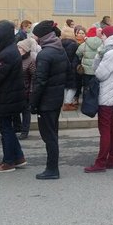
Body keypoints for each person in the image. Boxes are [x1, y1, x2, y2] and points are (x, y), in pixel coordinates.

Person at [0, 20, 27, 174]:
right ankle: (19, 157)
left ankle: (8, 161)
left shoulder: (6, 54)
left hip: (6, 97)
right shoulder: (9, 49)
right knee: (8, 128)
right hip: (10, 95)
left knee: (6, 129)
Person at [85, 26, 113, 173]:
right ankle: (112, 159)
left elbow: (99, 73)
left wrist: (98, 55)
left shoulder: (111, 53)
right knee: (112, 128)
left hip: (107, 95)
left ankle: (101, 162)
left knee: (105, 130)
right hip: (112, 93)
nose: (101, 38)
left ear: (108, 37)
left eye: (102, 36)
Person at [30, 20, 69, 179]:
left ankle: (52, 169)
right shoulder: (59, 49)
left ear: (43, 37)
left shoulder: (45, 54)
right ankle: (52, 167)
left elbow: (40, 81)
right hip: (56, 98)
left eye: (37, 36)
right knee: (53, 133)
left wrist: (33, 103)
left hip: (46, 101)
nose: (36, 39)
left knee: (49, 136)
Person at [16, 38, 37, 140]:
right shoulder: (15, 58)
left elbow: (34, 76)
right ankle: (17, 127)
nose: (18, 49)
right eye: (18, 47)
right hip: (16, 90)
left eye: (21, 48)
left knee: (25, 111)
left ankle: (25, 131)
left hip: (26, 90)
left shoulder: (30, 60)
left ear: (26, 50)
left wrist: (32, 90)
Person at [60, 26, 79, 111]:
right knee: (73, 86)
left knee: (66, 86)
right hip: (71, 67)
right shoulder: (73, 44)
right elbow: (72, 57)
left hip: (63, 67)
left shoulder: (60, 43)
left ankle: (66, 102)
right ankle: (67, 103)